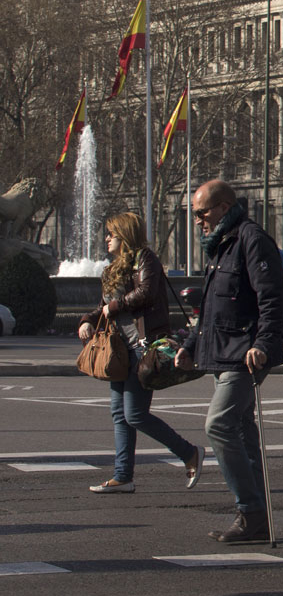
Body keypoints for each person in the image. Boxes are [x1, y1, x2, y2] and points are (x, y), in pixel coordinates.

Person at [174, 180, 283, 543]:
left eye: (202, 212)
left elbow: (273, 297)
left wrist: (265, 343)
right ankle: (258, 519)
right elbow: (211, 307)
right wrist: (191, 345)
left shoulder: (251, 240)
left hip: (245, 353)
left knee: (219, 425)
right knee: (240, 429)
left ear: (224, 207)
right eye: (195, 214)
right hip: (224, 350)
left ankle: (250, 509)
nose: (198, 220)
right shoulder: (222, 245)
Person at [78, 212, 203, 495]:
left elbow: (147, 292)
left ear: (125, 236)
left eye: (112, 234)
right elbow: (104, 306)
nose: (107, 239)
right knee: (119, 414)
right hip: (119, 350)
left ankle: (189, 453)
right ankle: (123, 476)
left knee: (134, 414)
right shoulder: (112, 270)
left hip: (142, 348)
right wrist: (87, 319)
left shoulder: (145, 258)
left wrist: (116, 306)